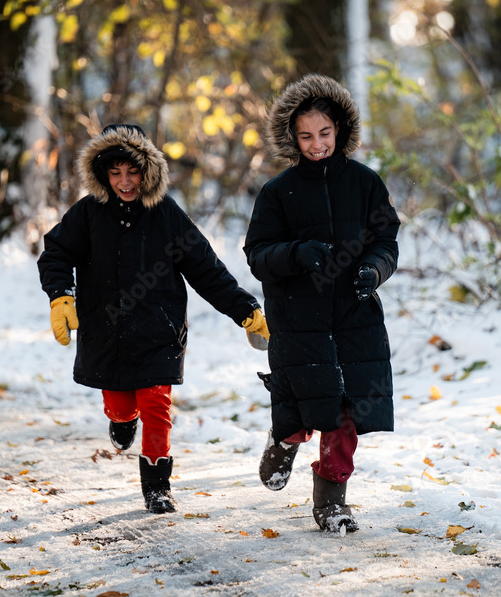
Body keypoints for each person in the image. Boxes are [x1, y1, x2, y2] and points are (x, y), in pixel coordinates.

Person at [38, 123, 270, 514]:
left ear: (149, 172)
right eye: (115, 173)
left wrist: (245, 309)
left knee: (156, 406)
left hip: (157, 330)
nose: (125, 182)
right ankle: (122, 419)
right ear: (102, 174)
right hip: (105, 330)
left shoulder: (166, 215)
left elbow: (205, 269)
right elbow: (56, 253)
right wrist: (61, 295)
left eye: (133, 172)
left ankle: (157, 486)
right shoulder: (88, 214)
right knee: (120, 404)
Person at [244, 75, 399, 533]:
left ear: (340, 130)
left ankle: (332, 501)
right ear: (292, 137)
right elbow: (257, 255)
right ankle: (284, 439)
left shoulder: (366, 184)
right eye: (306, 136)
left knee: (346, 410)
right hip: (299, 320)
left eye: (325, 133)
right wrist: (297, 253)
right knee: (304, 405)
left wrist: (374, 271)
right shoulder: (278, 192)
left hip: (354, 317)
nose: (317, 144)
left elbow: (386, 239)